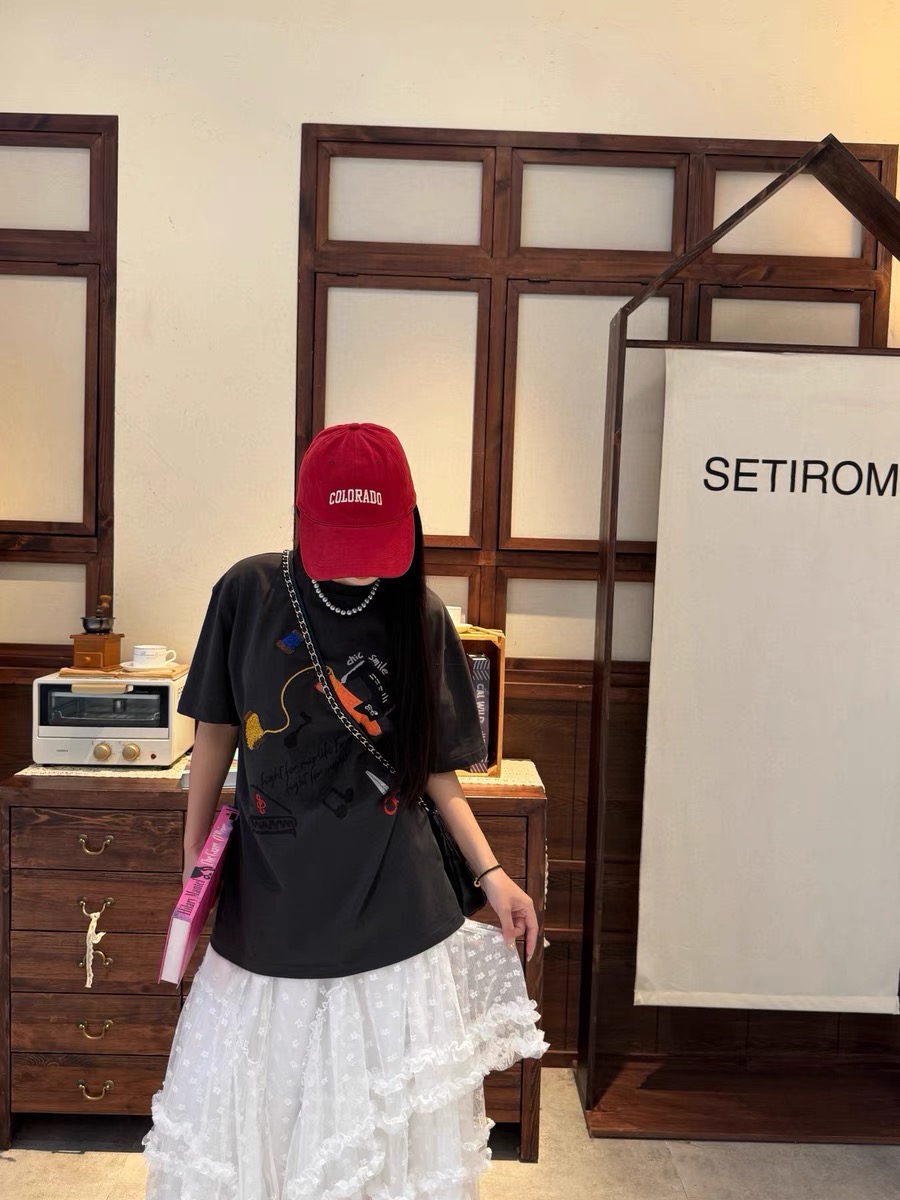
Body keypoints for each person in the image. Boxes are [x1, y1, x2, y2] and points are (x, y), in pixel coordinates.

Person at [142, 421, 549, 1199]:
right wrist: (194, 862)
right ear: (302, 517)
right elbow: (216, 732)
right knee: (267, 1116)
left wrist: (493, 873)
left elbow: (433, 772)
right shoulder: (247, 593)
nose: (358, 564)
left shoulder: (421, 615)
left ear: (407, 523)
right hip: (270, 903)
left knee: (379, 1135)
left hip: (394, 913)